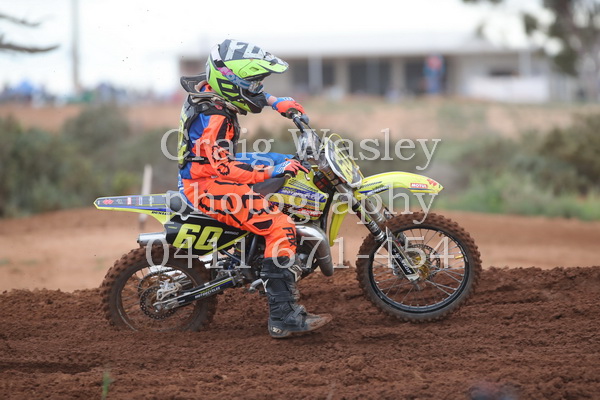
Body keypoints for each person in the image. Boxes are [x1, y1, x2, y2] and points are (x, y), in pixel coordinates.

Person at [176, 39, 332, 338]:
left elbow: (248, 92)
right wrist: (271, 172)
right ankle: (283, 317)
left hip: (207, 170)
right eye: (253, 82)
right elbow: (223, 169)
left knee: (286, 160)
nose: (258, 87)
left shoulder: (210, 91)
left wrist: (277, 102)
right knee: (281, 227)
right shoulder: (215, 118)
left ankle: (259, 250)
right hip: (207, 185)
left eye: (259, 82)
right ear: (231, 82)